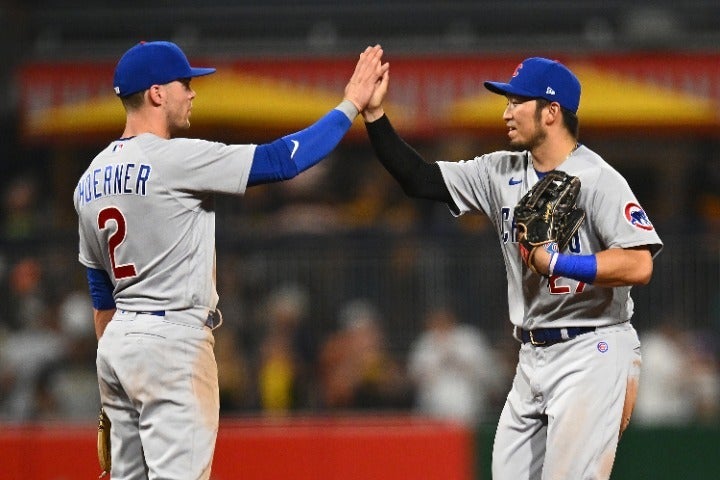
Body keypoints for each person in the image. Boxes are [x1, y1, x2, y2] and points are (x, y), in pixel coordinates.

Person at [73, 40, 387, 480]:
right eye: (186, 84)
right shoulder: (174, 158)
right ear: (157, 93)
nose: (193, 93)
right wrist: (351, 103)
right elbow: (282, 160)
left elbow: (99, 293)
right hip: (172, 340)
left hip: (119, 343)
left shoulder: (88, 180)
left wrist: (111, 369)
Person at [362, 56, 663, 479]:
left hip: (593, 348)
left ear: (551, 112)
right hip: (532, 355)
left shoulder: (599, 179)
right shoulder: (498, 171)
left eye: (517, 101)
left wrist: (556, 261)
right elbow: (419, 179)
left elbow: (638, 263)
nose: (506, 111)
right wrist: (374, 115)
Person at [407, 305, 506, 427]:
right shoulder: (425, 342)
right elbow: (414, 377)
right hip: (432, 413)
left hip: (469, 413)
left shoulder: (469, 338)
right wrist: (438, 363)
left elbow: (489, 375)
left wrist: (459, 361)